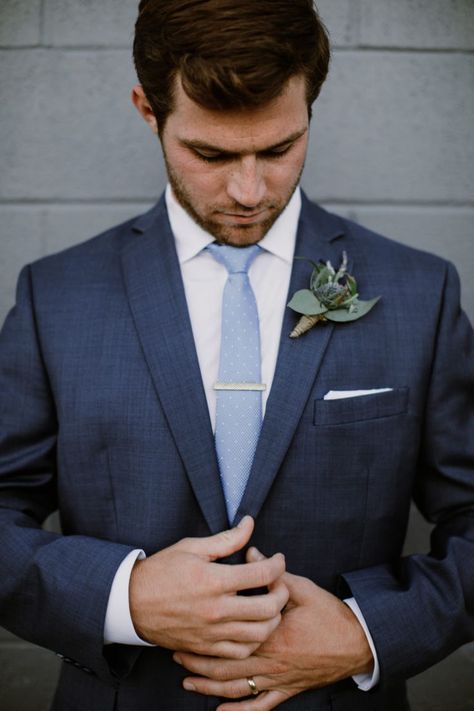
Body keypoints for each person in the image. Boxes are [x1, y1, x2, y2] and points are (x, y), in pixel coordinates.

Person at [0, 1, 473, 709]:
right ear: (147, 110)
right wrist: (122, 595)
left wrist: (364, 631)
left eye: (279, 149)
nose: (249, 192)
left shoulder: (421, 292)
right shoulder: (55, 297)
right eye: (212, 154)